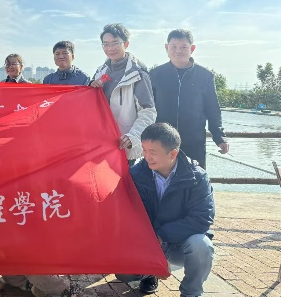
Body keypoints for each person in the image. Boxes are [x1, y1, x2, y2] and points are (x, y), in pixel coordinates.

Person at [120, 122, 215, 296]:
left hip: (180, 244)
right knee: (123, 271)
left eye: (153, 152)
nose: (147, 156)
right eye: (144, 150)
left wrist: (162, 235)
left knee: (202, 245)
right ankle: (149, 273)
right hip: (147, 243)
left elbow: (202, 219)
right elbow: (127, 214)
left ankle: (191, 292)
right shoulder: (135, 175)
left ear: (173, 153)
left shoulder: (197, 177)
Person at [150, 29, 229, 169]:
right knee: (161, 178)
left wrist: (220, 137)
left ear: (192, 49)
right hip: (162, 141)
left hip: (194, 142)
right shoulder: (155, 74)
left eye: (183, 47)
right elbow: (147, 108)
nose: (178, 51)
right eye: (173, 46)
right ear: (166, 47)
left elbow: (213, 109)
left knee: (194, 178)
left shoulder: (205, 76)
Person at [90, 24, 156, 165]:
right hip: (101, 142)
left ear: (126, 44)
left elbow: (148, 111)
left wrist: (133, 136)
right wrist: (91, 88)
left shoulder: (137, 74)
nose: (110, 48)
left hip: (123, 143)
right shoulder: (100, 71)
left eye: (115, 43)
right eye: (106, 44)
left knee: (123, 179)